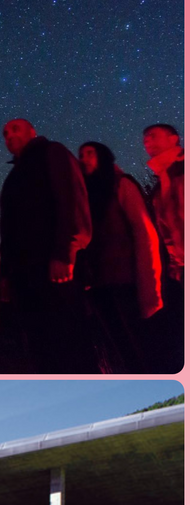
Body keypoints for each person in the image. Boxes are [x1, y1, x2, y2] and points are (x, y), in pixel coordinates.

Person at [0, 118, 94, 373]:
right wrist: (6, 275)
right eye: (5, 133)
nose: (9, 135)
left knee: (68, 344)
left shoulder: (53, 152)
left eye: (15, 128)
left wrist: (66, 251)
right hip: (25, 276)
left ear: (33, 131)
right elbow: (8, 229)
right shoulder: (15, 175)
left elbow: (72, 199)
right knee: (42, 350)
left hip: (54, 270)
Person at [77, 141, 162, 372]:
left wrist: (150, 287)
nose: (84, 159)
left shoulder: (121, 185)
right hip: (100, 284)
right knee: (122, 348)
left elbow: (143, 232)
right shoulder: (87, 196)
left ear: (103, 156)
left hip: (127, 281)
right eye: (81, 155)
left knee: (142, 345)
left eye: (90, 154)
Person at [143, 124, 184, 372]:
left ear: (173, 138)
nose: (148, 142)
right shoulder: (161, 185)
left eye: (153, 136)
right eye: (145, 139)